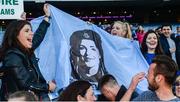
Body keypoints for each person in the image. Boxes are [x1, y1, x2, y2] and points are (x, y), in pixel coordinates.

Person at [0, 4, 56, 101]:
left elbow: (39, 36)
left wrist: (47, 17)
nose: (32, 33)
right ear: (16, 35)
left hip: (34, 96)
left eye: (31, 30)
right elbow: (26, 83)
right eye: (27, 31)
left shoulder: (25, 50)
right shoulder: (12, 56)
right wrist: (47, 87)